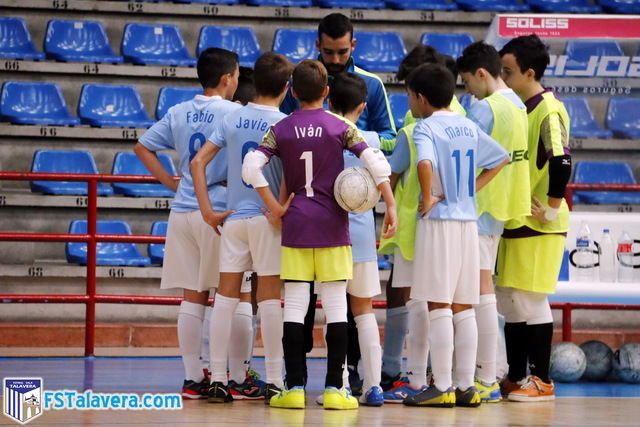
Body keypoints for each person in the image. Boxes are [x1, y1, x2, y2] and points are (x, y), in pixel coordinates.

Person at [242, 59, 397, 410]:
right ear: (326, 92)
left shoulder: (280, 128)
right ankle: (335, 390)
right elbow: (375, 161)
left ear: (293, 92)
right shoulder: (339, 126)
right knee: (337, 309)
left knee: (295, 309)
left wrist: (275, 206)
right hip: (333, 229)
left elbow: (251, 167)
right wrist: (389, 204)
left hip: (296, 228)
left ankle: (294, 389)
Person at [133, 48, 241, 400]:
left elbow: (142, 147)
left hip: (182, 210)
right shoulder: (234, 113)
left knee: (192, 299)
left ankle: (192, 377)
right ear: (227, 78)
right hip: (219, 208)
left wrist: (169, 180)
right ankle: (228, 373)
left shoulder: (178, 111)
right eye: (237, 75)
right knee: (229, 296)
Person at [400, 63, 509, 408]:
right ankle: (466, 385)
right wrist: (470, 190)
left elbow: (424, 164)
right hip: (468, 223)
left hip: (440, 222)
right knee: (465, 306)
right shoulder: (467, 124)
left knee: (438, 303)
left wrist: (429, 196)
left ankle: (442, 384)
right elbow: (501, 159)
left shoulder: (425, 127)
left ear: (420, 97)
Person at [190, 52, 294, 404]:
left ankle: (218, 378)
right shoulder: (285, 123)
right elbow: (290, 178)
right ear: (285, 87)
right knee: (269, 301)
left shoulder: (233, 118)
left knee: (225, 299)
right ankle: (276, 380)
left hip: (233, 218)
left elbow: (197, 161)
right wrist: (279, 209)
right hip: (268, 219)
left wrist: (206, 210)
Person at [497, 34, 572, 402]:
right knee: (511, 301)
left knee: (530, 300)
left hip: (541, 223)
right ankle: (516, 376)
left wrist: (553, 207)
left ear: (529, 72)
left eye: (508, 72)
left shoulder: (549, 109)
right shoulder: (522, 108)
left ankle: (542, 380)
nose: (503, 78)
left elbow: (561, 160)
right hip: (518, 220)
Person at [456, 41, 531, 403]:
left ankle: (488, 374)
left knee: (481, 294)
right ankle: (491, 369)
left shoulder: (486, 109)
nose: (467, 89)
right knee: (483, 292)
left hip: (481, 206)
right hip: (501, 207)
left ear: (482, 74)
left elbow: (466, 158)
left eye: (468, 81)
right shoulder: (517, 103)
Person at [327, 72, 385, 407]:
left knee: (334, 311)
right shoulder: (373, 140)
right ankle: (374, 385)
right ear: (363, 106)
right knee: (364, 311)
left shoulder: (322, 137)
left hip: (331, 235)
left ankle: (342, 383)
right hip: (362, 236)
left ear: (329, 100)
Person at [280, 12, 396, 141]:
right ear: (318, 45)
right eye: (328, 52)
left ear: (353, 45)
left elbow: (390, 138)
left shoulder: (373, 84)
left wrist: (353, 139)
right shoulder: (298, 80)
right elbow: (281, 132)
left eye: (342, 52)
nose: (335, 60)